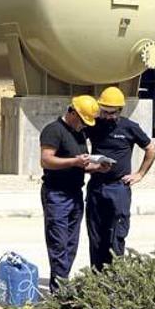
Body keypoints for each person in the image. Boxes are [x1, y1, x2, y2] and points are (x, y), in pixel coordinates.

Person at [85, 86, 155, 271]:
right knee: (96, 236)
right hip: (96, 187)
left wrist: (139, 174)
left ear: (120, 111)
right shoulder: (93, 125)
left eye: (112, 113)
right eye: (104, 112)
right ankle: (97, 280)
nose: (107, 116)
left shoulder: (129, 127)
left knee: (116, 235)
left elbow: (151, 149)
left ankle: (116, 277)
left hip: (119, 188)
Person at [38, 95, 100, 293]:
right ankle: (59, 290)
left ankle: (63, 283)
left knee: (71, 242)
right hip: (57, 195)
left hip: (75, 194)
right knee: (58, 242)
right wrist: (74, 161)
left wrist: (96, 167)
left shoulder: (79, 134)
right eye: (82, 121)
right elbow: (46, 160)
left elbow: (79, 163)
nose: (84, 125)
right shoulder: (53, 131)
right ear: (72, 112)